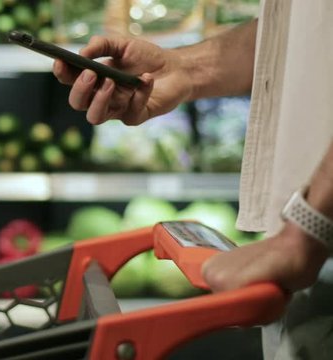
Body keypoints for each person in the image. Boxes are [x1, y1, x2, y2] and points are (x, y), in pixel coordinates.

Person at [53, 1, 332, 359]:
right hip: (308, 265)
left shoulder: (308, 237)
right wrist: (184, 69)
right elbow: (302, 27)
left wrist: (306, 232)